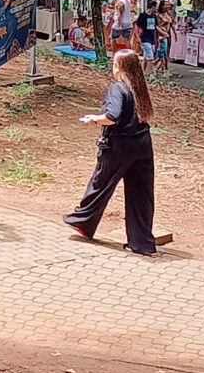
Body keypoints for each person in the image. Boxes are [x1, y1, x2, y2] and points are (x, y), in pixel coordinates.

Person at [64, 50, 169, 256]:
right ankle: (142, 243)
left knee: (100, 184)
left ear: (120, 68)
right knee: (142, 195)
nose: (113, 68)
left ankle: (82, 221)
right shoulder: (139, 89)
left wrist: (94, 119)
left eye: (114, 64)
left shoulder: (118, 88)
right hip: (142, 144)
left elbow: (112, 116)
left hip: (119, 145)